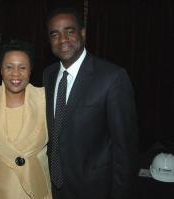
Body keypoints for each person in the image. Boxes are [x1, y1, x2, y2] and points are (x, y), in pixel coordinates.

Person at [43, 7, 139, 199]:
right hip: (52, 188)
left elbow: (125, 151)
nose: (62, 40)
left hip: (94, 190)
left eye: (69, 31)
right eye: (55, 34)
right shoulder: (49, 74)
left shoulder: (112, 78)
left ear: (83, 33)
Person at [0, 40, 52, 199]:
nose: (15, 74)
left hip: (35, 188)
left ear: (30, 70)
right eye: (9, 67)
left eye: (22, 67)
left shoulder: (46, 99)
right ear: (1, 70)